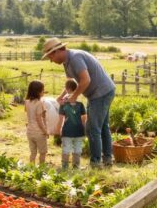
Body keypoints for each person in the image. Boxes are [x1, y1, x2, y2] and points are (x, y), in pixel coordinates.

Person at [42, 38, 116, 167]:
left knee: (93, 128)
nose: (51, 61)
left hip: (101, 93)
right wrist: (62, 96)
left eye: (50, 57)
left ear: (57, 52)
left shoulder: (75, 58)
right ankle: (107, 160)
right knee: (102, 126)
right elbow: (72, 82)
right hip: (99, 93)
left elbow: (86, 80)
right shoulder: (67, 61)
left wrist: (74, 96)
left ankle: (95, 163)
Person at [57, 78, 87, 169]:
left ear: (67, 89)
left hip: (67, 131)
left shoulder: (63, 105)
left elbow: (60, 119)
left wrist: (59, 130)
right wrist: (84, 129)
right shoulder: (80, 105)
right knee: (78, 149)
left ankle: (65, 166)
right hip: (79, 131)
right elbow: (84, 119)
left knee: (66, 148)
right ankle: (76, 166)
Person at [24, 80, 50, 165]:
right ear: (38, 92)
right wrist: (45, 131)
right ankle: (41, 170)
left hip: (29, 132)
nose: (44, 91)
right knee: (42, 153)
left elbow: (27, 115)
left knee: (33, 153)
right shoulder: (40, 103)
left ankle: (31, 169)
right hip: (39, 133)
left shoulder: (27, 102)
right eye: (43, 90)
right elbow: (39, 120)